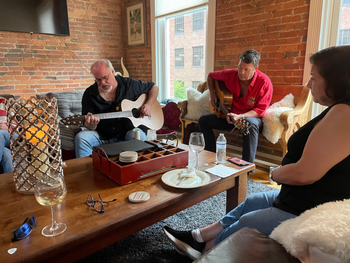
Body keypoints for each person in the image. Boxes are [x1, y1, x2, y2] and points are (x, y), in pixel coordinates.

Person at [163, 45, 350, 260]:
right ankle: (197, 235)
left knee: (246, 221)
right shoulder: (339, 110)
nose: (308, 84)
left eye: (313, 78)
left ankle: (206, 252)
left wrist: (275, 173)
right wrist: (215, 98)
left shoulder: (344, 113)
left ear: (336, 80)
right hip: (296, 195)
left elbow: (304, 174)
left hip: (303, 204)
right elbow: (212, 76)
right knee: (251, 201)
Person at [198, 49, 273, 164]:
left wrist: (241, 116)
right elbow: (211, 76)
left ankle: (246, 169)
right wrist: (212, 95)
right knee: (203, 120)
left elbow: (259, 111)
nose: (241, 72)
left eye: (246, 69)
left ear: (255, 68)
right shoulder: (231, 74)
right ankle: (211, 157)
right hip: (230, 117)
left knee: (250, 124)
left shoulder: (264, 82)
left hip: (250, 118)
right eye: (240, 67)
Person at [74, 59, 159, 158]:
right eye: (98, 80)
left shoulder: (129, 85)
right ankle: (86, 171)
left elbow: (154, 87)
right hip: (102, 136)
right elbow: (88, 125)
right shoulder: (89, 94)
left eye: (105, 77)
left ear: (112, 72)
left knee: (140, 136)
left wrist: (148, 104)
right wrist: (91, 124)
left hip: (128, 133)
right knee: (81, 138)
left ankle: (141, 169)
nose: (103, 82)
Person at [0, 97, 13, 174]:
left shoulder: (4, 103)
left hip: (10, 135)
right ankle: (10, 185)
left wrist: (9, 128)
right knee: (6, 154)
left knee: (0, 134)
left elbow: (19, 124)